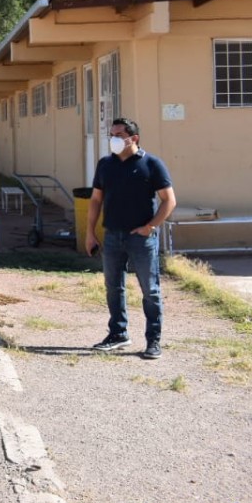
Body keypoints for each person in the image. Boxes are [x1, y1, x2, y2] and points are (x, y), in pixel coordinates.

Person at [84, 117, 177, 360]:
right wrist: (90, 232)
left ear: (133, 138)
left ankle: (153, 340)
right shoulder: (105, 164)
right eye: (111, 135)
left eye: (118, 135)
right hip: (113, 236)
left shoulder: (152, 164)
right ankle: (118, 333)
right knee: (113, 287)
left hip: (141, 239)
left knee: (150, 290)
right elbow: (95, 200)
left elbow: (169, 200)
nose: (113, 139)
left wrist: (150, 227)